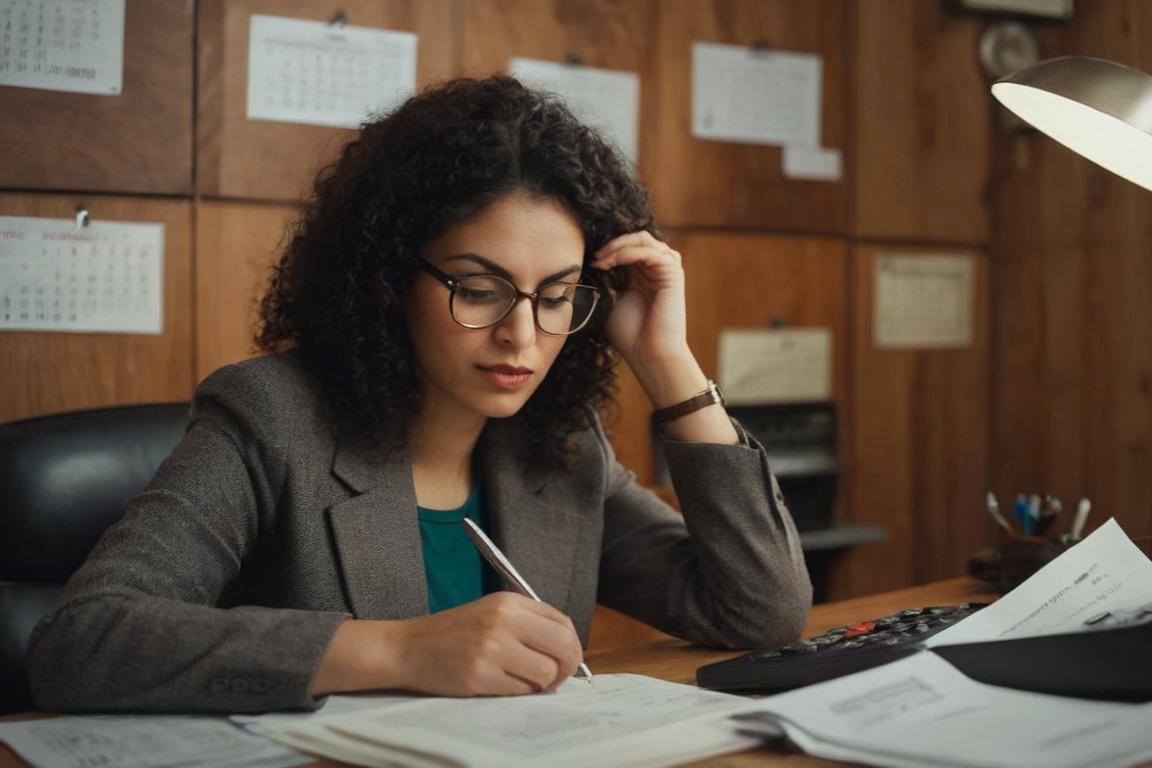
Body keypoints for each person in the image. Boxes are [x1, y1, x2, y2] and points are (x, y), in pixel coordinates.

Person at [25, 75, 812, 713]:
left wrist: (667, 363)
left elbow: (759, 610)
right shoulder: (272, 418)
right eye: (479, 289)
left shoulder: (561, 444)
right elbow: (80, 641)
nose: (522, 335)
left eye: (556, 295)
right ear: (390, 280)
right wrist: (397, 650)